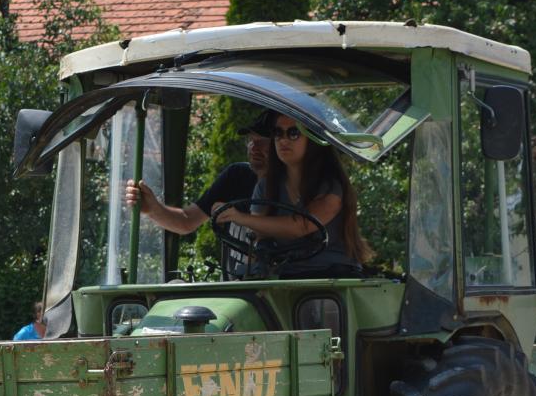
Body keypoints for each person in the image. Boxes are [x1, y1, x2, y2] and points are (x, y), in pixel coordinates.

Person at [214, 113, 373, 278]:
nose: (283, 140)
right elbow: (260, 237)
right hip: (285, 276)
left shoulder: (330, 186)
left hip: (331, 279)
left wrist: (237, 216)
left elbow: (300, 226)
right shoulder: (265, 186)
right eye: (277, 133)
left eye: (293, 133)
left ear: (313, 140)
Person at [125, 110, 274, 276]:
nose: (254, 147)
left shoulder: (290, 191)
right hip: (235, 293)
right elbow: (187, 221)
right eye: (251, 140)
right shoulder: (237, 175)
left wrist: (238, 217)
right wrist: (153, 209)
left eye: (263, 142)